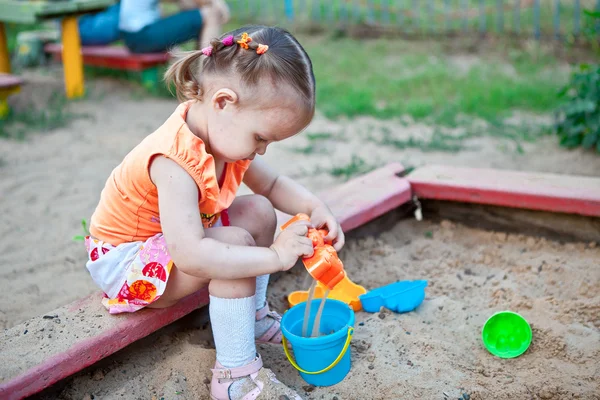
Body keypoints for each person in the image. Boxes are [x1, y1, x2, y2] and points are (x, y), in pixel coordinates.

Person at [84, 25, 345, 399]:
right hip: (128, 263)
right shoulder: (173, 161)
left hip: (171, 244)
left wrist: (316, 208)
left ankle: (251, 318)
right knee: (236, 244)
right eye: (261, 138)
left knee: (258, 210)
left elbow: (271, 186)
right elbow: (191, 254)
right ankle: (235, 376)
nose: (262, 151)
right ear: (223, 102)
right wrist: (273, 256)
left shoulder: (224, 134)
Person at [119, 0, 230, 53]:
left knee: (202, 16)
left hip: (133, 37)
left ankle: (199, 78)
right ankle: (207, 77)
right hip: (142, 36)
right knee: (210, 15)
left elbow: (187, 4)